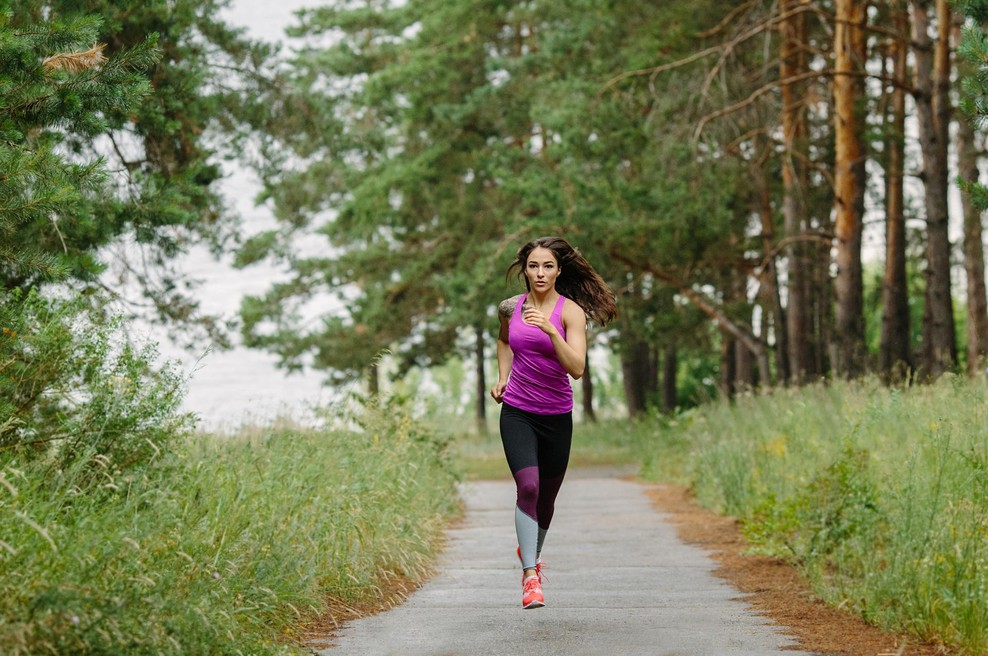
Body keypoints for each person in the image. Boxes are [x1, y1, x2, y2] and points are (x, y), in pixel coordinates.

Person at [490, 236, 617, 609]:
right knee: (527, 487)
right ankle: (531, 576)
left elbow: (576, 368)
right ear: (524, 270)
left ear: (559, 270)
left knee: (545, 501)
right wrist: (503, 376)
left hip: (557, 416)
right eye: (533, 266)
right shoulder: (509, 308)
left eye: (548, 266)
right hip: (517, 411)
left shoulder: (570, 313)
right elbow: (503, 341)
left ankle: (529, 549)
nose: (540, 273)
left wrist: (549, 329)